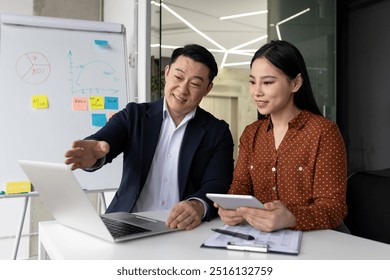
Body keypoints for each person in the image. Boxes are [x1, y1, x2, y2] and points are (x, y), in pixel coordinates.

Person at [64, 44, 234, 230]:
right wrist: (94, 152)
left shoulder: (218, 132)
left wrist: (198, 204)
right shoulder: (134, 115)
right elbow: (104, 141)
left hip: (180, 228)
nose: (183, 89)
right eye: (178, 77)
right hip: (126, 220)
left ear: (207, 88)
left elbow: (217, 183)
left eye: (194, 84)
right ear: (167, 73)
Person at [216, 40, 348, 232]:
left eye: (267, 82)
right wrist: (231, 207)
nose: (257, 92)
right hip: (263, 238)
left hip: (319, 238)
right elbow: (240, 186)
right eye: (252, 82)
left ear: (295, 83)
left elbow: (334, 207)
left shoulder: (323, 132)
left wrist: (292, 218)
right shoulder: (251, 133)